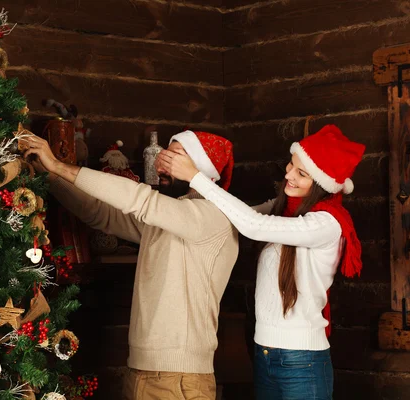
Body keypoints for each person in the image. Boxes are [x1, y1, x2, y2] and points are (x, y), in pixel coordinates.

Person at [23, 130, 239, 400]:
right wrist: (48, 174)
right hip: (139, 372)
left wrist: (57, 164)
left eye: (176, 156)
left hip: (180, 380)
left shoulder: (213, 216)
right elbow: (100, 212)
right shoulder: (167, 215)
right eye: (165, 152)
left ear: (201, 171)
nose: (163, 160)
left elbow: (141, 200)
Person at [156, 125, 366, 400]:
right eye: (291, 165)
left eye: (301, 173)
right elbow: (236, 215)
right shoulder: (285, 210)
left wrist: (195, 177)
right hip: (264, 353)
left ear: (322, 183)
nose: (289, 175)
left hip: (301, 361)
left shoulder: (326, 224)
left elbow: (252, 225)